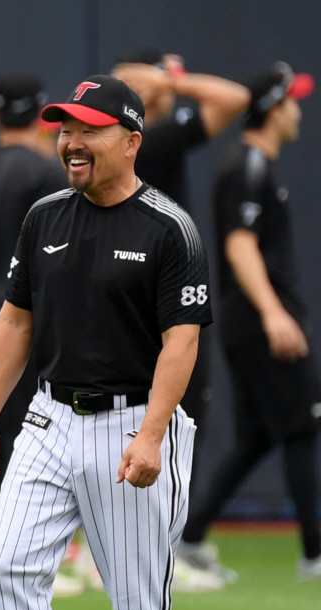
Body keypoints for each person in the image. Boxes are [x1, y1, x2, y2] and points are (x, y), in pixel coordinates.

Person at [0, 76, 210, 610]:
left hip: (132, 420)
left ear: (131, 140)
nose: (71, 141)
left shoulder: (169, 228)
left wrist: (153, 433)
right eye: (65, 129)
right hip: (46, 416)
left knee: (134, 588)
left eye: (88, 130)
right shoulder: (44, 217)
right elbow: (14, 321)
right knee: (9, 563)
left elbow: (181, 342)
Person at [112, 49, 250, 591]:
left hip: (143, 291)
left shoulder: (150, 140)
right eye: (164, 73)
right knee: (173, 420)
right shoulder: (155, 135)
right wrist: (163, 81)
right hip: (158, 298)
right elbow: (235, 98)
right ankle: (158, 555)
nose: (174, 82)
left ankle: (148, 552)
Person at [176, 63, 320, 582]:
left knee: (258, 436)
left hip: (247, 319)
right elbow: (240, 245)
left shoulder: (254, 164)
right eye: (292, 100)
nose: (298, 110)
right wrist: (275, 313)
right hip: (261, 321)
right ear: (274, 109)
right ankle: (315, 555)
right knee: (303, 426)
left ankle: (188, 538)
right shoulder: (249, 166)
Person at [0, 71, 82, 598]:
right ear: (42, 111)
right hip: (28, 319)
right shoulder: (50, 174)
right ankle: (25, 562)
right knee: (30, 437)